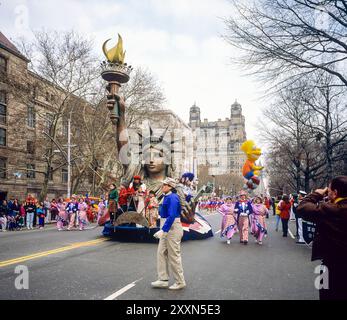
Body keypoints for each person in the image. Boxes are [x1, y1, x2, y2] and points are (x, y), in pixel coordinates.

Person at [297, 176, 347, 300]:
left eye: (329, 190)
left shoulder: (329, 210)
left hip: (330, 264)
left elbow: (302, 208)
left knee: (326, 293)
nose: (327, 191)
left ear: (335, 193)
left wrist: (316, 194)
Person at [151, 178, 186, 290]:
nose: (163, 186)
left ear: (170, 186)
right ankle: (163, 279)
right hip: (167, 226)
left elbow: (172, 216)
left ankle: (180, 281)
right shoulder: (167, 196)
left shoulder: (173, 197)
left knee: (174, 256)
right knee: (161, 253)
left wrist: (164, 230)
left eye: (165, 185)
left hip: (172, 228)